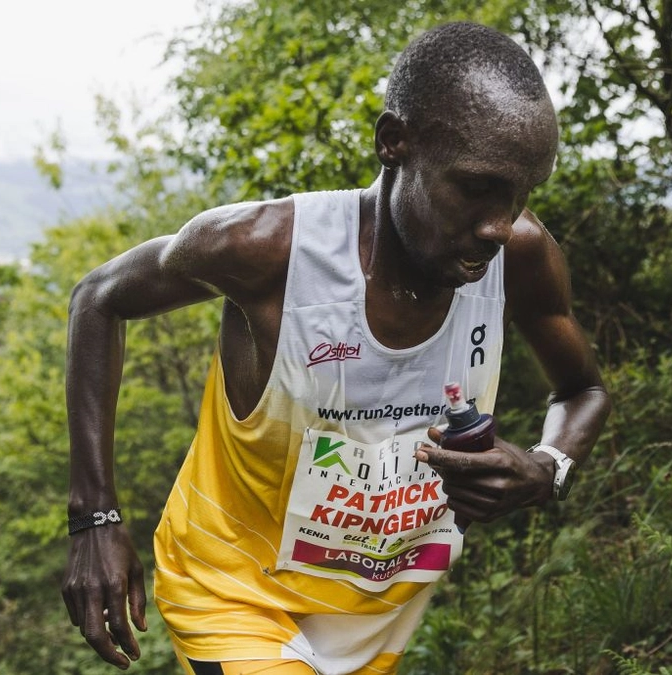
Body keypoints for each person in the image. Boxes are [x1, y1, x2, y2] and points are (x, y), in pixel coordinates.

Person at [61, 21, 610, 675]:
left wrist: (549, 466)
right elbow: (98, 297)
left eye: (520, 197)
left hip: (376, 615)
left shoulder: (518, 257)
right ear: (393, 142)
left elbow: (584, 389)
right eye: (475, 187)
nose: (498, 224)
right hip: (236, 594)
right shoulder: (264, 250)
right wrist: (94, 516)